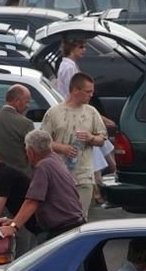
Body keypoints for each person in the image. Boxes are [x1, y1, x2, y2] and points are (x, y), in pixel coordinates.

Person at [0, 130, 85, 244]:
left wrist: (13, 226)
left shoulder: (43, 166)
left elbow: (32, 201)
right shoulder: (56, 160)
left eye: (26, 151)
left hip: (62, 230)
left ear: (31, 152)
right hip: (74, 225)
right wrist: (14, 221)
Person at [41, 72, 108, 216]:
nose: (91, 95)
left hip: (83, 175)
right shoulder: (54, 113)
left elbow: (102, 139)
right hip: (59, 175)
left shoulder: (92, 112)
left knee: (80, 217)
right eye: (88, 92)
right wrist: (61, 148)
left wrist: (91, 138)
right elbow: (43, 142)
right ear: (76, 90)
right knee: (60, 217)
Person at [0, 84, 35, 178]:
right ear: (17, 101)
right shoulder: (25, 124)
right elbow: (33, 154)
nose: (28, 106)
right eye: (27, 102)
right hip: (17, 183)